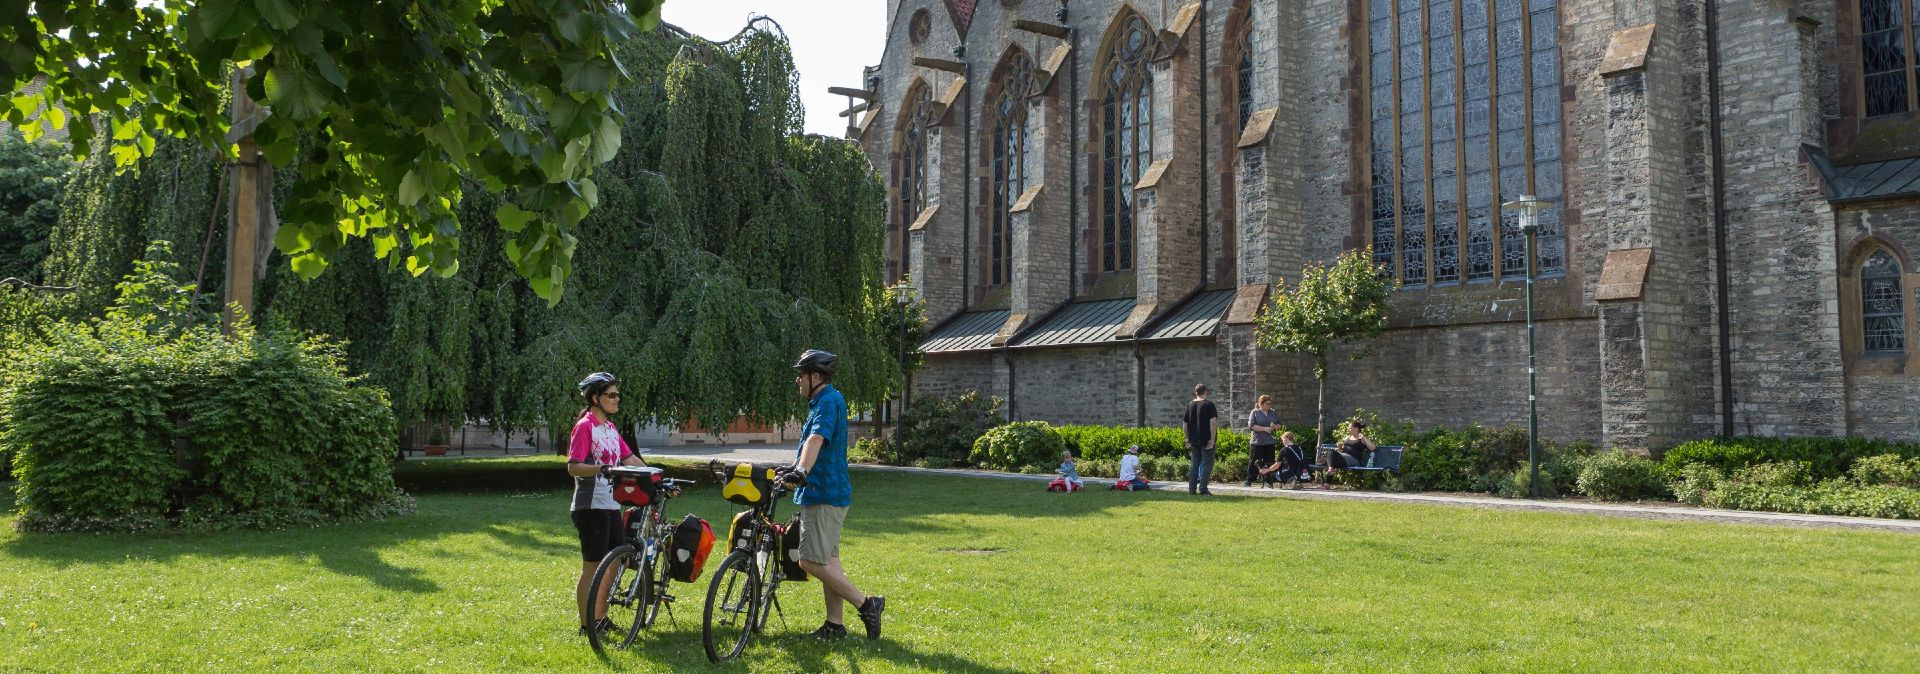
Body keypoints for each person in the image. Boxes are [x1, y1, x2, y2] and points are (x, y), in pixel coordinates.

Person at [780, 349, 886, 641]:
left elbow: (816, 439)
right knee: (829, 561)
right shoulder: (823, 401)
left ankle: (868, 605)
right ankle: (835, 625)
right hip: (827, 491)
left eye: (801, 376)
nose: (798, 381)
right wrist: (792, 467)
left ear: (815, 376)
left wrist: (801, 471)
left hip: (823, 493)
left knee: (809, 561)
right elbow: (810, 444)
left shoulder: (827, 401)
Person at [562, 372, 647, 637]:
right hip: (590, 507)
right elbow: (573, 467)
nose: (616, 399)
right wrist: (602, 469)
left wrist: (654, 476)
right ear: (594, 398)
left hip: (611, 505)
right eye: (611, 395)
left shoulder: (610, 428)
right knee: (593, 566)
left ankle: (600, 617)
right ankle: (586, 625)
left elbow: (630, 458)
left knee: (616, 561)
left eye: (617, 394)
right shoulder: (584, 427)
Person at [1183, 384, 1220, 495]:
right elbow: (1213, 423)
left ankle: (1191, 489)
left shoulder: (1190, 404)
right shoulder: (1209, 405)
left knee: (1194, 464)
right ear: (1206, 391)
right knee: (1207, 464)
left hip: (1194, 439)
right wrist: (1212, 439)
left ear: (1196, 392)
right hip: (1206, 439)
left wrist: (1187, 438)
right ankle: (1203, 489)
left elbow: (1185, 423)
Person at [1244, 395, 1280, 486]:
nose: (1269, 405)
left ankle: (1268, 480)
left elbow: (1279, 425)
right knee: (1254, 461)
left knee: (1269, 461)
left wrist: (1274, 426)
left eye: (1270, 403)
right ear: (1261, 404)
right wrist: (1265, 429)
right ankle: (1249, 479)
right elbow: (1252, 426)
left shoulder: (1273, 412)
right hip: (1257, 441)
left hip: (1270, 441)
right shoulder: (1255, 412)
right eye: (1267, 403)